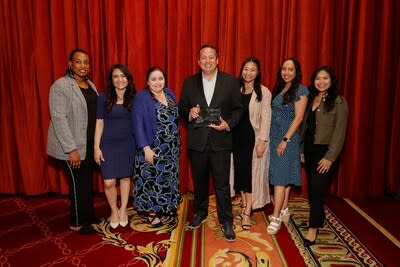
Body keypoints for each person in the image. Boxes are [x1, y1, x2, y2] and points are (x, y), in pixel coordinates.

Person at [179, 44, 242, 242]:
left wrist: (228, 124)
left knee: (222, 185)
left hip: (220, 142)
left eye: (210, 57)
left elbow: (238, 109)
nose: (207, 61)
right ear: (198, 62)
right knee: (199, 183)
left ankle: (226, 221)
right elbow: (182, 108)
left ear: (217, 60)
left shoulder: (231, 82)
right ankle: (200, 212)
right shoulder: (189, 83)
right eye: (203, 58)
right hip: (197, 142)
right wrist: (189, 112)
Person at [47, 48, 98, 234]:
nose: (83, 65)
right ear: (70, 63)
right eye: (78, 61)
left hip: (89, 143)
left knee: (86, 182)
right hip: (71, 146)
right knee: (77, 183)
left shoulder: (90, 85)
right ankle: (77, 222)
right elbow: (58, 118)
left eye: (86, 62)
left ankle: (88, 215)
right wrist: (71, 149)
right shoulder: (60, 86)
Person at [301, 66, 348, 246]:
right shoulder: (313, 98)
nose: (321, 82)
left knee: (317, 190)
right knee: (313, 189)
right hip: (310, 150)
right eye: (317, 79)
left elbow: (340, 132)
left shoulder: (339, 102)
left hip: (325, 152)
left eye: (325, 78)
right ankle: (317, 219)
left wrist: (330, 157)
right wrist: (302, 151)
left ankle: (313, 229)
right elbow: (306, 127)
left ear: (331, 81)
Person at [132, 67, 180, 226]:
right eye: (153, 79)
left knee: (167, 178)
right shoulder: (141, 97)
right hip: (153, 147)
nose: (158, 82)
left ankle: (165, 206)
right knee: (151, 179)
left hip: (171, 148)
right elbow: (137, 124)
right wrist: (145, 148)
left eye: (160, 78)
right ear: (147, 82)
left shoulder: (169, 93)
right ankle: (152, 212)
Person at [267, 57, 309, 235]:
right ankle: (284, 209)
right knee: (282, 177)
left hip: (287, 140)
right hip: (274, 137)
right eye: (284, 69)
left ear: (296, 71)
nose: (286, 72)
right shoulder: (280, 88)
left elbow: (298, 118)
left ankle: (275, 217)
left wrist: (285, 140)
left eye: (290, 69)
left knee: (279, 179)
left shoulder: (301, 90)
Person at [94, 64, 136, 229]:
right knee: (109, 182)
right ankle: (114, 210)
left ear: (128, 78)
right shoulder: (103, 98)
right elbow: (99, 123)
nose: (120, 79)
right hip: (108, 144)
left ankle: (123, 209)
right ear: (111, 80)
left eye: (123, 76)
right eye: (116, 76)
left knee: (126, 178)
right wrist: (96, 147)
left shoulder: (134, 97)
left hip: (128, 143)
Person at [232, 56, 271, 231]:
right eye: (246, 69)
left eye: (252, 69)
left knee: (250, 175)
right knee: (240, 175)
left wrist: (262, 141)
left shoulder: (264, 92)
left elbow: (266, 119)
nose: (248, 72)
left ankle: (247, 211)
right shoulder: (236, 89)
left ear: (258, 72)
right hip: (236, 138)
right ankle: (245, 204)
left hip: (252, 139)